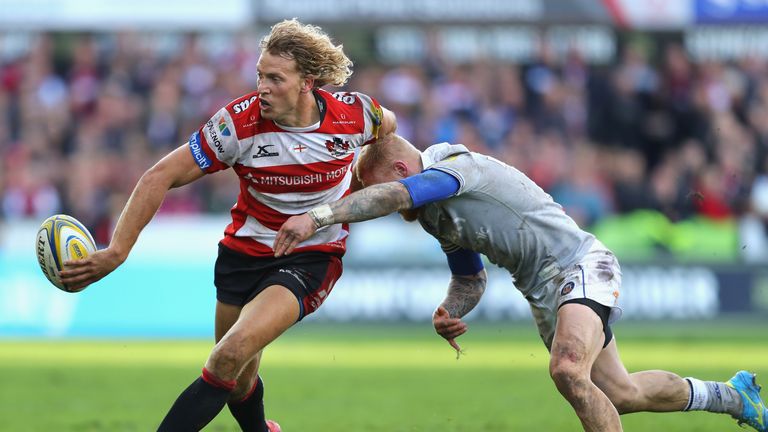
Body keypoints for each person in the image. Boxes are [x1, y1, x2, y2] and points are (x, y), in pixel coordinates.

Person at [274, 134, 768, 432]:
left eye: (377, 187)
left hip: (579, 264)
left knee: (567, 370)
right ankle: (731, 396)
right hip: (547, 294)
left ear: (401, 170)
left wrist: (321, 215)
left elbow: (397, 194)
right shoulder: (435, 218)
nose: (386, 205)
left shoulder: (454, 168)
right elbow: (469, 277)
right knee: (620, 393)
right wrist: (452, 309)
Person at [59, 19, 396, 432]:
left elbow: (390, 136)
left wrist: (373, 186)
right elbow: (158, 176)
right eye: (259, 75)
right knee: (238, 382)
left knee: (227, 355)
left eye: (275, 78)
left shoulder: (357, 115)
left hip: (311, 256)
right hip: (242, 254)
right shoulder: (238, 124)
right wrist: (116, 251)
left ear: (308, 82)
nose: (262, 87)